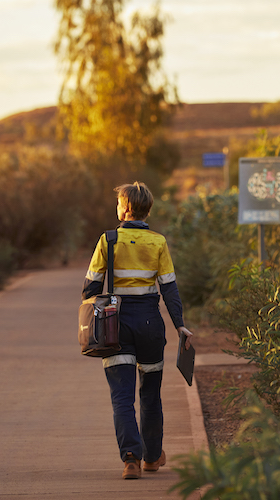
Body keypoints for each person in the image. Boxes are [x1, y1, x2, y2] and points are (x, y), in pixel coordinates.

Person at [81, 181, 193, 480]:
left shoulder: (108, 240)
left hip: (116, 324)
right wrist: (180, 324)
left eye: (119, 202)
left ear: (126, 208)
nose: (117, 207)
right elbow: (169, 288)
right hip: (150, 324)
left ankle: (131, 458)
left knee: (122, 396)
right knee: (151, 393)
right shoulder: (158, 242)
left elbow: (90, 288)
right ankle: (153, 457)